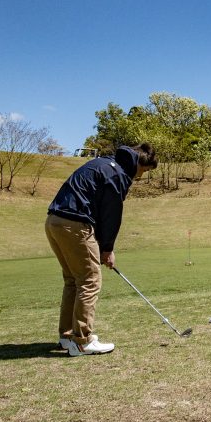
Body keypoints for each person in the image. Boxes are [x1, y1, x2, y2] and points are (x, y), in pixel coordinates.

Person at [45, 143, 158, 356]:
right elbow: (110, 215)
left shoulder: (103, 163)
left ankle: (68, 337)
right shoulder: (118, 174)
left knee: (73, 280)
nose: (141, 176)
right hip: (74, 224)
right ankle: (82, 341)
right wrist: (107, 249)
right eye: (144, 171)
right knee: (90, 280)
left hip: (54, 222)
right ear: (139, 163)